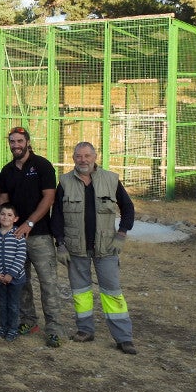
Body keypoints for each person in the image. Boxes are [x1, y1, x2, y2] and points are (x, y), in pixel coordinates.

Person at [51, 142, 137, 354]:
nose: (83, 160)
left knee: (112, 292)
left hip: (106, 247)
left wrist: (122, 232)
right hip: (75, 248)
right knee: (81, 293)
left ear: (95, 156)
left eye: (87, 156)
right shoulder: (64, 182)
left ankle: (123, 338)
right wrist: (60, 243)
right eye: (79, 156)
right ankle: (85, 330)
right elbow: (58, 216)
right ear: (73, 158)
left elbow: (128, 207)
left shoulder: (111, 179)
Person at [0, 127, 66, 347]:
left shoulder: (42, 166)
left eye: (19, 140)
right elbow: (4, 201)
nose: (16, 145)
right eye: (12, 141)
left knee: (48, 283)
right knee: (21, 282)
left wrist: (29, 223)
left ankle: (54, 328)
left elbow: (49, 198)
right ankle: (29, 321)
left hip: (40, 235)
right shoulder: (6, 170)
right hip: (15, 237)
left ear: (27, 141)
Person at [0, 203, 28, 341]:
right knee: (3, 304)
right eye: (3, 214)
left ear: (15, 219)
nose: (6, 217)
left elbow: (21, 256)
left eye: (9, 215)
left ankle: (13, 329)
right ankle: (3, 327)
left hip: (15, 279)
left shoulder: (18, 235)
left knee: (13, 305)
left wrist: (11, 274)